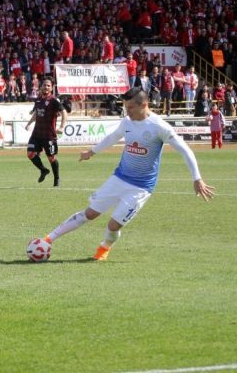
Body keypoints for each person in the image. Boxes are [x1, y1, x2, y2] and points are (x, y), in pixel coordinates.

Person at [39, 87, 215, 261]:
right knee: (90, 214)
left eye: (130, 107)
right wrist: (91, 152)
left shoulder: (159, 127)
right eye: (126, 107)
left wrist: (196, 178)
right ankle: (48, 239)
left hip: (141, 187)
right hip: (119, 178)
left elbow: (185, 151)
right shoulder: (127, 122)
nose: (127, 111)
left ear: (143, 105)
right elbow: (113, 137)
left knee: (113, 225)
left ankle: (104, 248)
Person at [24, 79, 68, 187]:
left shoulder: (54, 100)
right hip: (37, 133)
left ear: (51, 88)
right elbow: (36, 113)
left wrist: (62, 127)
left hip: (49, 135)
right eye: (44, 85)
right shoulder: (38, 100)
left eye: (48, 86)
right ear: (40, 87)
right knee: (30, 154)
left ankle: (57, 178)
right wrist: (29, 123)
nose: (46, 87)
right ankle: (43, 170)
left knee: (51, 158)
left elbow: (64, 112)